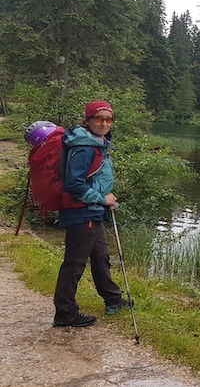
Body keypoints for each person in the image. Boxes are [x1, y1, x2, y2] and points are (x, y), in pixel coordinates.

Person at [52, 100, 132, 327]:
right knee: (75, 263)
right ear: (87, 120)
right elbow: (74, 185)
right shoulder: (84, 147)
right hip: (81, 212)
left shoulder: (96, 143)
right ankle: (65, 312)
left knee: (100, 256)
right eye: (99, 118)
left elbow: (92, 179)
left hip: (92, 211)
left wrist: (105, 196)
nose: (104, 123)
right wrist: (102, 198)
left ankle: (113, 300)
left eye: (108, 119)